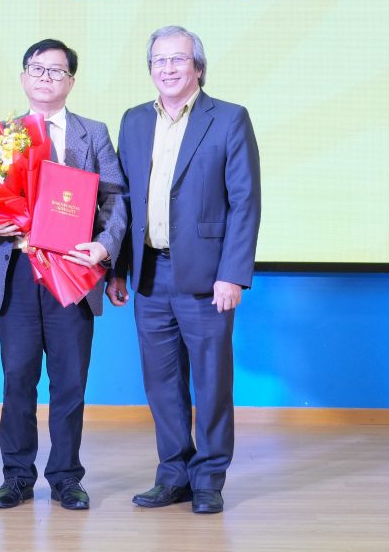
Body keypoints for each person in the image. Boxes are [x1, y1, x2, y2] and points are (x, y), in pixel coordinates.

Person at [108, 25, 261, 515]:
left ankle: (210, 477)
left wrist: (233, 273)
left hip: (207, 276)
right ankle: (173, 473)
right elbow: (123, 204)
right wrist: (117, 269)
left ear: (198, 66)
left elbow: (244, 202)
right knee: (161, 382)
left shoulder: (230, 119)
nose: (167, 69)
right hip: (149, 274)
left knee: (211, 381)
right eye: (158, 61)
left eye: (177, 60)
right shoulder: (133, 121)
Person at [0, 39, 127, 511]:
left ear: (71, 82)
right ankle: (17, 476)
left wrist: (105, 246)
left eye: (56, 71)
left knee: (69, 382)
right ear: (23, 77)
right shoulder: (1, 135)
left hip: (74, 273)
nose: (45, 78)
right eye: (37, 70)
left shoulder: (93, 133)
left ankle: (65, 477)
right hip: (19, 270)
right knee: (17, 378)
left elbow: (116, 199)